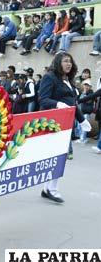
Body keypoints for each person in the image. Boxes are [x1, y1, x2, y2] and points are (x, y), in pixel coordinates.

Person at [38, 52, 92, 203]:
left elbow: (73, 103)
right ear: (57, 63)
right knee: (57, 156)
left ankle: (47, 188)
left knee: (60, 156)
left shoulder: (68, 79)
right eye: (65, 61)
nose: (69, 64)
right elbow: (43, 99)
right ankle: (51, 189)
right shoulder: (49, 77)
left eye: (70, 61)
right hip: (53, 123)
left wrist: (81, 120)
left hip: (66, 124)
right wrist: (57, 104)